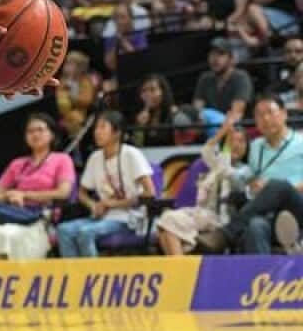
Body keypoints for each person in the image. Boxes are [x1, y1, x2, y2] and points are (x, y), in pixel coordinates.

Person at [205, 95, 303, 254]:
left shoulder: (301, 141)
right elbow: (246, 175)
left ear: (284, 114)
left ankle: (226, 234)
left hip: (298, 205)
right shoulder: (256, 146)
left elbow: (277, 187)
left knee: (279, 186)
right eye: (259, 115)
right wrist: (251, 186)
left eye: (270, 112)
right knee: (255, 226)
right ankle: (262, 270)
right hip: (271, 214)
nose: (265, 119)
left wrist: (276, 188)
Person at [0, 113, 74, 261]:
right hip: (13, 213)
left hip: (40, 217)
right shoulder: (17, 164)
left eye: (40, 130)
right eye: (30, 131)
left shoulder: (62, 160)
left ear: (52, 134)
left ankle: (12, 274)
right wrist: (9, 196)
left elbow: (63, 192)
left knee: (12, 235)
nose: (35, 134)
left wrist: (24, 195)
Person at [56, 111, 154, 258]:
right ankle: (73, 272)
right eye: (96, 128)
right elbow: (81, 193)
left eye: (103, 127)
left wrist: (112, 204)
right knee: (64, 230)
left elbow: (150, 192)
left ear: (116, 133)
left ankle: (93, 272)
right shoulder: (95, 157)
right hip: (103, 217)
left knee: (85, 232)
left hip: (129, 218)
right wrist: (93, 205)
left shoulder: (131, 154)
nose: (97, 132)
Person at [156, 120, 249, 255]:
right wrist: (222, 132)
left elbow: (225, 171)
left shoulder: (246, 170)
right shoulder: (217, 163)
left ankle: (179, 266)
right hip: (204, 213)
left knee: (169, 221)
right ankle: (180, 265)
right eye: (232, 140)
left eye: (241, 141)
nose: (236, 145)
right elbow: (207, 151)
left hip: (222, 219)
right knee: (165, 227)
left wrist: (226, 147)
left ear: (247, 146)